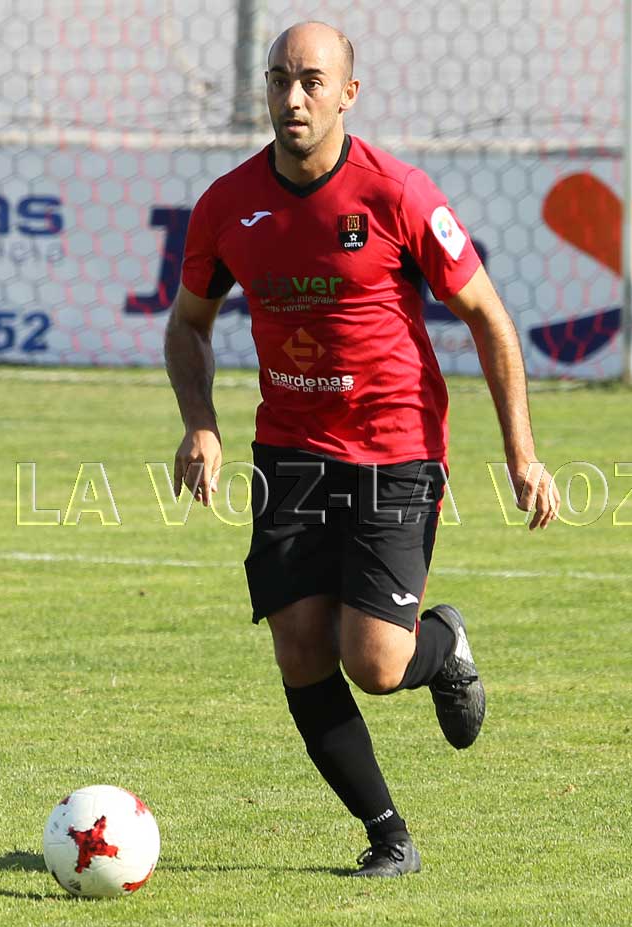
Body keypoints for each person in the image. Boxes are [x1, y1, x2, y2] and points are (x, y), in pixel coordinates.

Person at [165, 20, 560, 877]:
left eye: (312, 80)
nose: (293, 96)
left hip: (395, 448)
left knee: (375, 663)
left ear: (348, 93)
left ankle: (442, 641)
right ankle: (389, 835)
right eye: (279, 79)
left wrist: (522, 454)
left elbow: (489, 319)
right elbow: (188, 325)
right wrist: (202, 421)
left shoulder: (398, 194)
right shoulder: (227, 205)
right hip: (290, 452)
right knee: (301, 647)